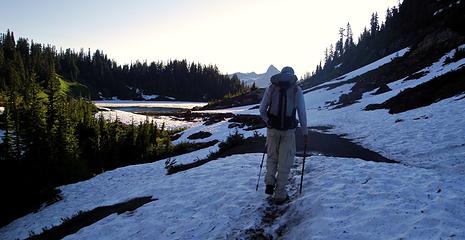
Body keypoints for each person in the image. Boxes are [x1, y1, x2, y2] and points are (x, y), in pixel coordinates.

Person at [259, 66, 308, 204]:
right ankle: (280, 194)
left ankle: (269, 182)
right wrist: (305, 132)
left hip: (272, 130)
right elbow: (302, 112)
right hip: (288, 131)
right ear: (292, 75)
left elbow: (262, 110)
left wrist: (268, 121)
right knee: (285, 160)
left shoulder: (272, 88)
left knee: (272, 156)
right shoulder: (296, 89)